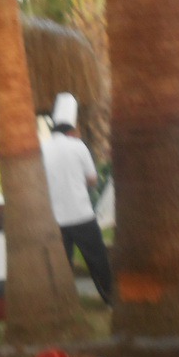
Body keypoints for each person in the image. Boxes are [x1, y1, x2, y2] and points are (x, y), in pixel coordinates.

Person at [40, 91, 113, 304]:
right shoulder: (78, 146)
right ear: (72, 128)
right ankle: (110, 298)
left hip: (55, 218)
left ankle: (63, 303)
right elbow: (92, 179)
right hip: (81, 215)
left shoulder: (42, 148)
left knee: (62, 266)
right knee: (97, 260)